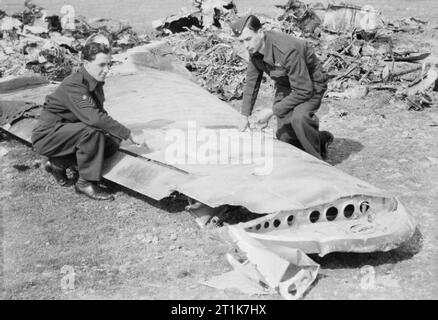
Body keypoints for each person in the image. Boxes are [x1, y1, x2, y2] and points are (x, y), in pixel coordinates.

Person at [31, 42, 137, 200]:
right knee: (92, 133)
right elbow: (93, 118)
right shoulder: (75, 84)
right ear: (86, 63)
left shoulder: (94, 81)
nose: (107, 70)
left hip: (68, 131)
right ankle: (85, 182)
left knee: (112, 141)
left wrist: (116, 133)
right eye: (101, 65)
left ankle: (58, 163)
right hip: (48, 136)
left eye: (109, 64)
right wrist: (127, 133)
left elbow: (100, 113)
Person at [230, 15, 334, 160]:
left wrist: (272, 111)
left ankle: (317, 161)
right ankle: (320, 139)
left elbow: (304, 90)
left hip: (310, 83)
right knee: (285, 137)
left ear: (260, 32)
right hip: (286, 84)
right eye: (242, 41)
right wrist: (244, 115)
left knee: (300, 118)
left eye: (248, 39)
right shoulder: (255, 49)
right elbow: (252, 81)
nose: (246, 45)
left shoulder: (286, 50)